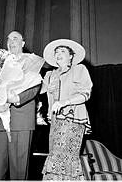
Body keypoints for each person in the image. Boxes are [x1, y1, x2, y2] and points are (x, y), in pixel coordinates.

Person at [0, 31, 44, 180]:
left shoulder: (31, 61)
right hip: (2, 121)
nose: (11, 41)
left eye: (15, 38)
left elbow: (35, 87)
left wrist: (17, 98)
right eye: (8, 39)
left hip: (21, 120)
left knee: (19, 169)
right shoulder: (0, 63)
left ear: (22, 43)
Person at [40, 39, 93, 180]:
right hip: (56, 121)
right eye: (56, 52)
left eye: (62, 51)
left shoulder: (79, 69)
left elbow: (85, 94)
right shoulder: (50, 75)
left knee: (65, 157)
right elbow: (36, 91)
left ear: (71, 56)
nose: (58, 54)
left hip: (74, 118)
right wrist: (46, 89)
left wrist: (65, 102)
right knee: (55, 155)